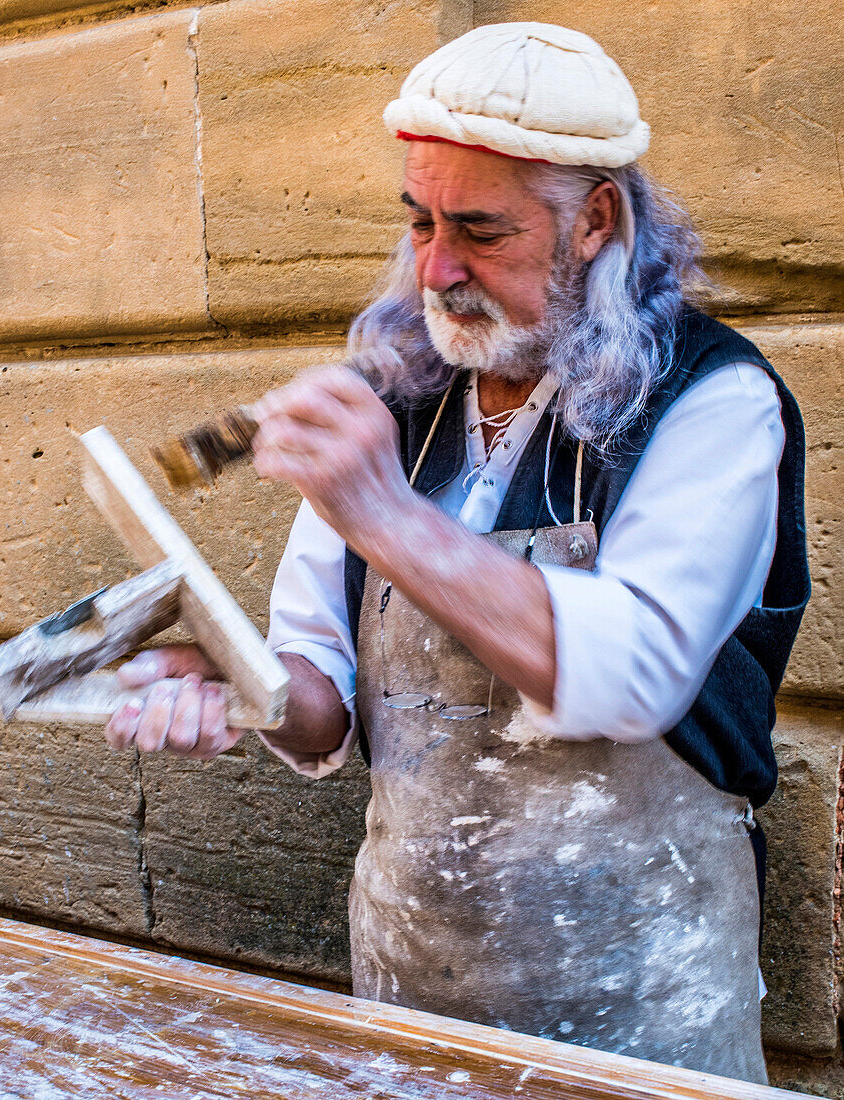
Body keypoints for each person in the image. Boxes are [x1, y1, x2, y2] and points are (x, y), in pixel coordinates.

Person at [103, 23, 809, 1083]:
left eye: (480, 230)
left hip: (643, 1011)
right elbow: (322, 697)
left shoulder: (715, 402)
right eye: (422, 220)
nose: (437, 267)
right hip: (408, 990)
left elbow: (631, 671)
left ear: (595, 222)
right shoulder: (398, 401)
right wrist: (235, 675)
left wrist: (382, 509)